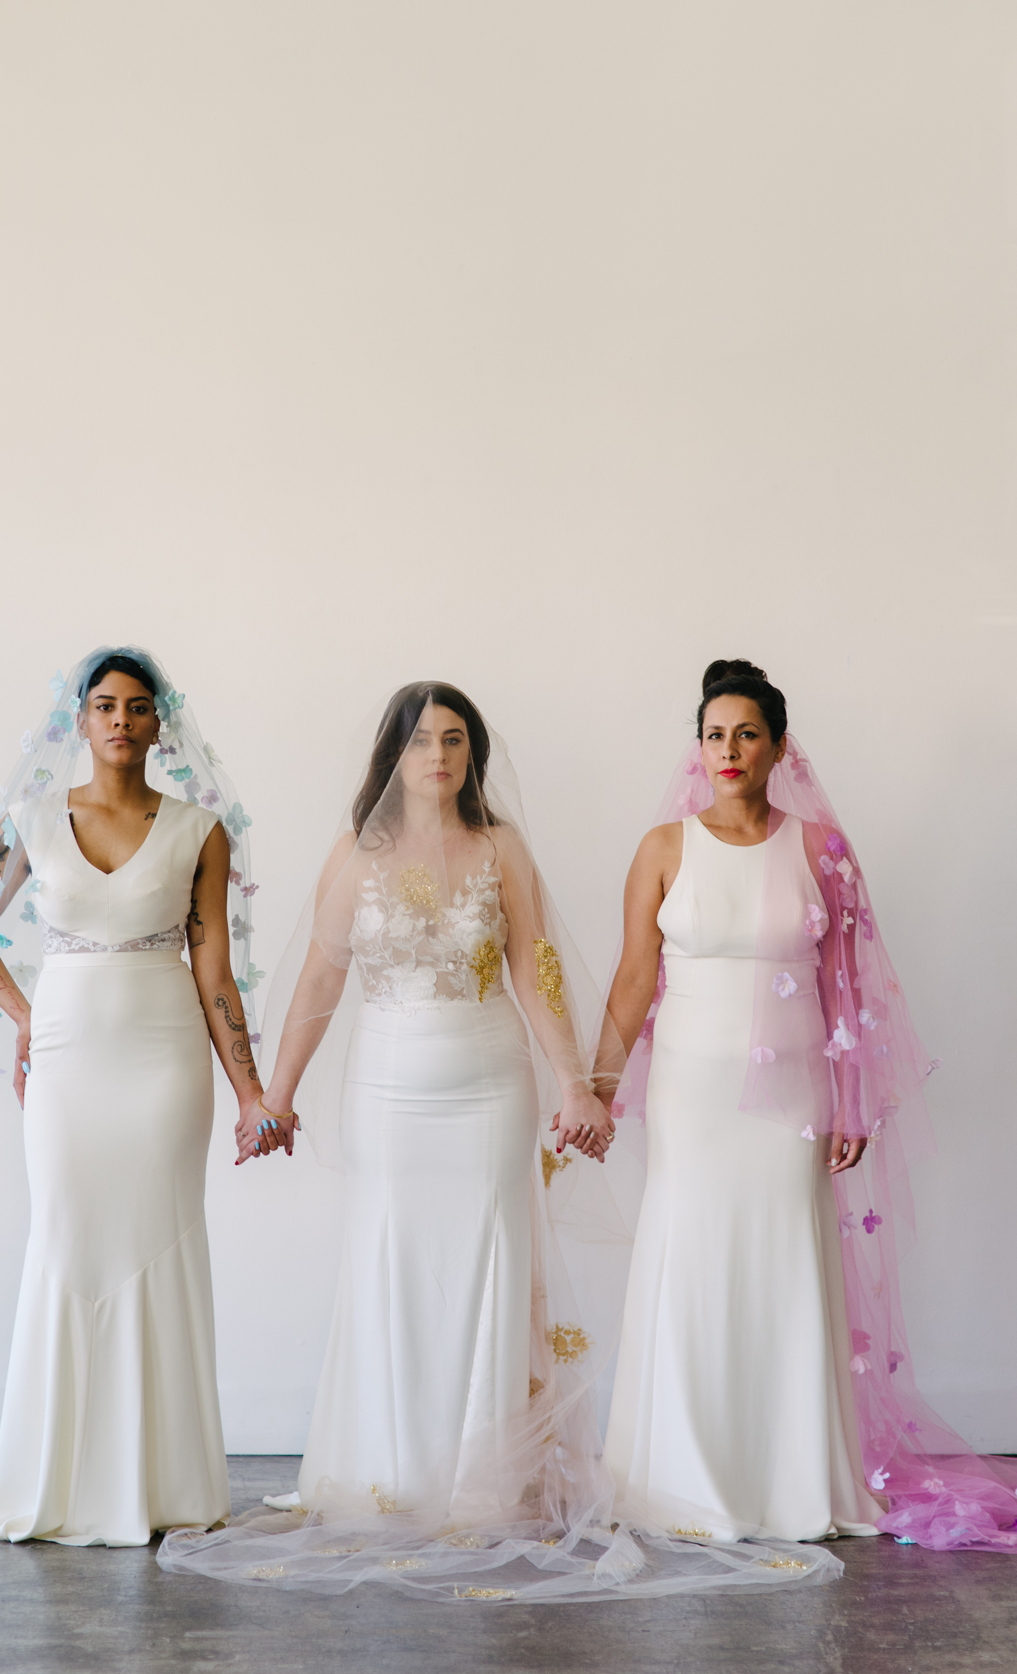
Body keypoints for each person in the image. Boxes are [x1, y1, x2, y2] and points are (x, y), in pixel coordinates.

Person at [158, 683, 843, 1599]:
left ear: (473, 754)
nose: (437, 756)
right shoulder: (353, 859)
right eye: (419, 741)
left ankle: (488, 1482)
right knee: (392, 1261)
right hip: (391, 1096)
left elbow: (536, 970)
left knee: (490, 1264)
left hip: (491, 1086)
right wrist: (273, 1096)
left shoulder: (501, 849)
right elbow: (320, 980)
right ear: (392, 757)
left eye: (453, 739)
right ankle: (390, 1471)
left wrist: (575, 1082)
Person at [599, 659, 1017, 1553]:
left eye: (747, 733)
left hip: (792, 1094)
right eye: (714, 734)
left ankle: (788, 1478)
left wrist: (854, 1102)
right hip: (691, 1093)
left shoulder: (820, 849)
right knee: (692, 1256)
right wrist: (596, 1085)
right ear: (699, 746)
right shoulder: (663, 848)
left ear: (779, 746)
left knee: (784, 1259)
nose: (728, 750)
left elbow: (848, 984)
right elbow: (635, 977)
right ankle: (681, 1476)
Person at [0, 648, 264, 1546]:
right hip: (68, 1057)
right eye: (104, 706)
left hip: (164, 1059)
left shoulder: (199, 831)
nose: (121, 721)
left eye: (138, 707)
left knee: (162, 1246)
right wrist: (24, 1014)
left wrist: (252, 1093)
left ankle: (165, 1484)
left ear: (159, 723)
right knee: (67, 1242)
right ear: (81, 722)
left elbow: (215, 969)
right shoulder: (31, 820)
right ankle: (60, 1477)